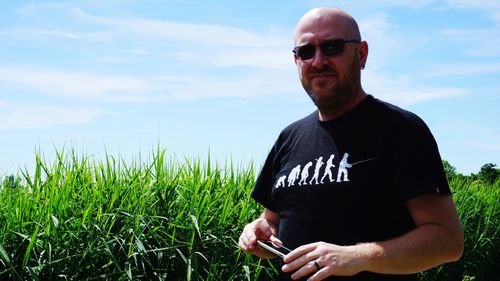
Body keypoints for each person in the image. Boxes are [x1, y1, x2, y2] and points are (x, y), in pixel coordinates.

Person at [238, 6, 463, 281]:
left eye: (332, 47)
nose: (318, 60)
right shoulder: (289, 137)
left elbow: (448, 241)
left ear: (361, 54)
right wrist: (261, 232)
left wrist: (356, 257)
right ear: (296, 60)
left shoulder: (402, 130)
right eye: (307, 51)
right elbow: (272, 222)